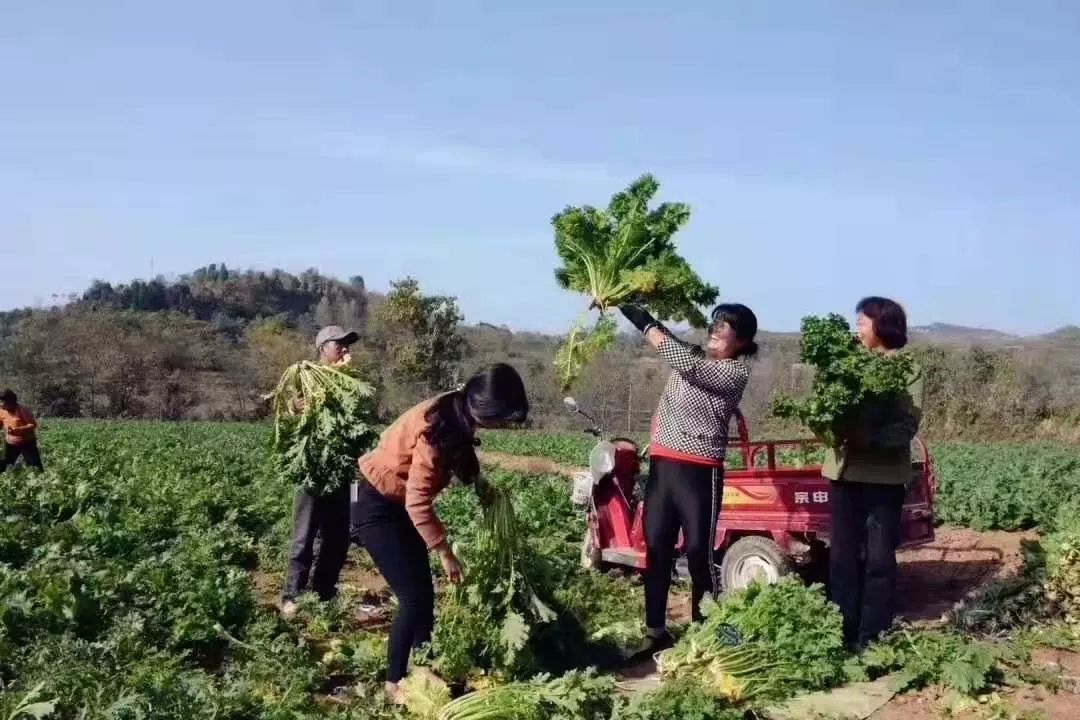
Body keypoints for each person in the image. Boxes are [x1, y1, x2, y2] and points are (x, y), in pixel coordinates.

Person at [351, 363, 529, 703]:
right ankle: (393, 685)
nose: (505, 424)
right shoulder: (437, 429)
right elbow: (418, 502)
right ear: (485, 410)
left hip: (394, 502)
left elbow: (463, 451)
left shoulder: (457, 407)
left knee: (424, 593)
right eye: (504, 417)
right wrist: (445, 552)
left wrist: (481, 485)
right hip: (375, 505)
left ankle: (424, 665)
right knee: (413, 598)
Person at [620, 302, 759, 653]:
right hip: (664, 468)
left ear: (741, 341)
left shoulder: (733, 373)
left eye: (725, 326)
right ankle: (655, 631)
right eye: (715, 322)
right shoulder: (693, 356)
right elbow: (681, 355)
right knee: (656, 550)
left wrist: (645, 322)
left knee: (699, 553)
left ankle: (711, 632)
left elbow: (688, 365)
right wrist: (627, 303)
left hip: (700, 470)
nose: (715, 328)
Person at [824, 296, 923, 650]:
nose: (858, 328)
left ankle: (872, 638)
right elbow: (823, 410)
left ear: (882, 325)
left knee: (879, 561)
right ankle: (841, 632)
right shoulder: (844, 363)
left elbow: (908, 423)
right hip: (844, 476)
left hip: (884, 480)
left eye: (863, 322)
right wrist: (830, 428)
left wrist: (872, 438)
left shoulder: (906, 366)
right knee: (841, 559)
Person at [280, 325, 360, 619]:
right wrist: (293, 408)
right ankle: (292, 595)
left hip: (341, 470)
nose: (345, 350)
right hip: (312, 469)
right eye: (339, 344)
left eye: (347, 345)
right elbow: (289, 407)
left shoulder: (353, 380)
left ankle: (324, 594)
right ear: (322, 347)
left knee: (338, 538)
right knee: (304, 535)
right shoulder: (306, 374)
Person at [0, 389, 43, 472]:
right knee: (7, 464)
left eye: (2, 402)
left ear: (10, 401)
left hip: (27, 442)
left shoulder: (23, 410)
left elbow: (32, 424)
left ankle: (40, 480)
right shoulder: (2, 411)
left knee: (35, 466)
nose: (0, 404)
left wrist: (18, 430)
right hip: (11, 444)